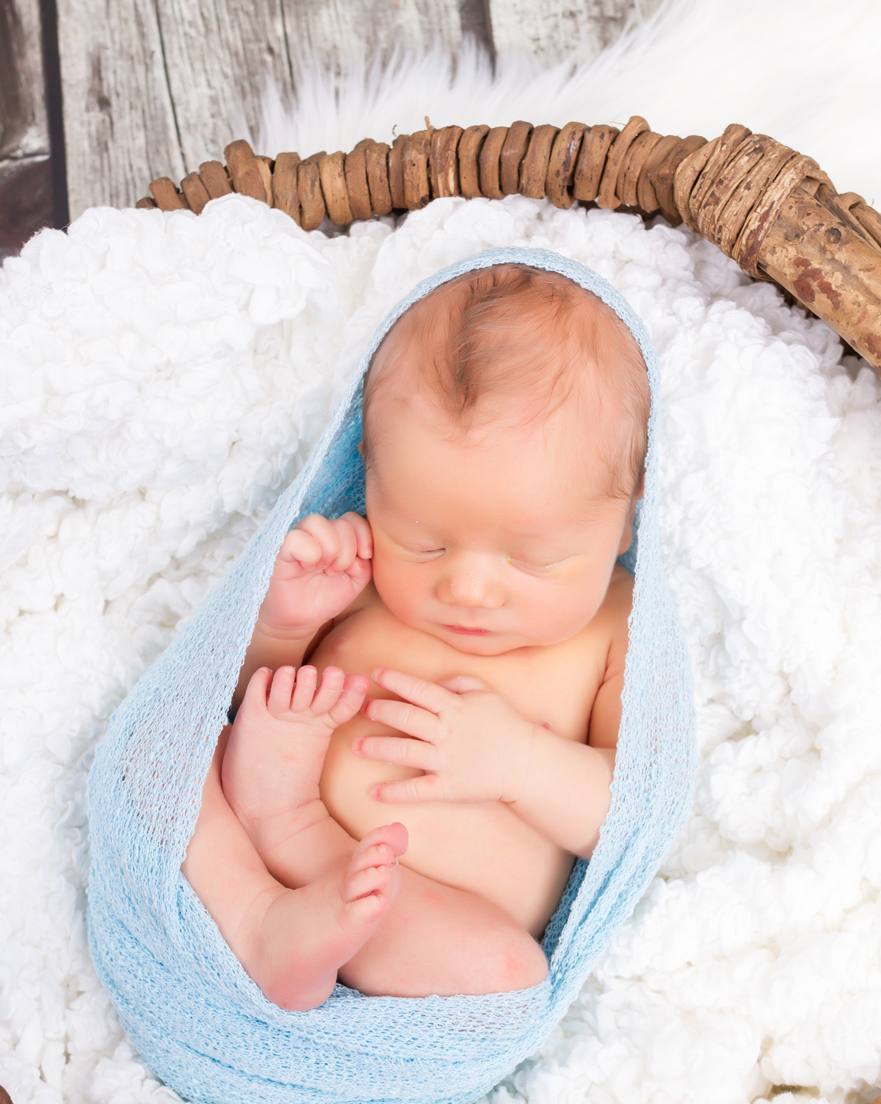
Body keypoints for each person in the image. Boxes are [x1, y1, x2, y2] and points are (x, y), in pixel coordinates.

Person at [181, 262, 650, 1011]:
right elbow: (234, 695)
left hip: (414, 912)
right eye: (424, 541)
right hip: (263, 812)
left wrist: (521, 763)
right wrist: (282, 625)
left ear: (624, 520)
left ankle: (278, 919)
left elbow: (629, 816)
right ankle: (255, 910)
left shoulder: (615, 625)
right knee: (157, 751)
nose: (465, 588)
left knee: (507, 977)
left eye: (529, 558)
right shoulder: (362, 565)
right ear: (368, 480)